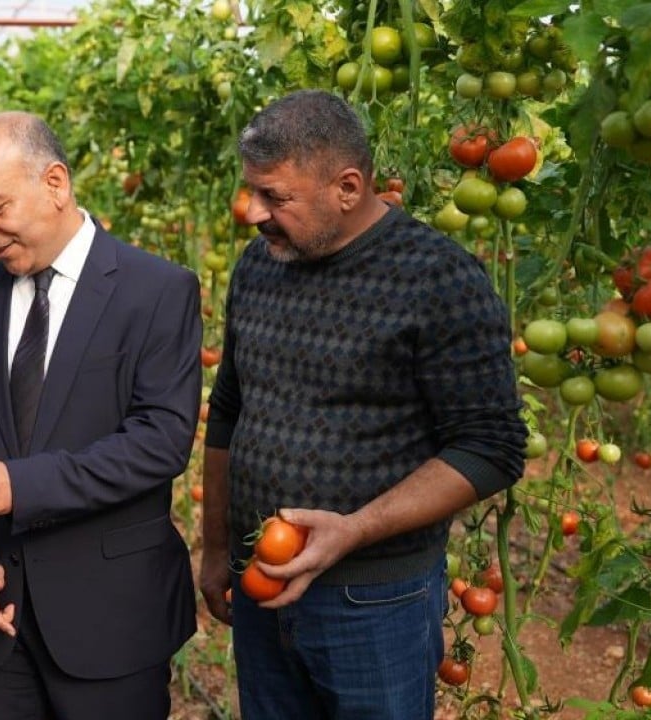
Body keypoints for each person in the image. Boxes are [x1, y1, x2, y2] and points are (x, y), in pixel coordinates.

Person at [199, 89, 527, 719]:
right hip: (261, 585)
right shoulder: (257, 268)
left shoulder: (437, 278)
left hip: (374, 602)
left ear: (347, 188)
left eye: (275, 196)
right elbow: (231, 406)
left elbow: (491, 447)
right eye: (251, 190)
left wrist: (354, 530)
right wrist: (217, 548)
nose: (251, 213)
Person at [0, 111, 202, 720]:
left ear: (55, 183)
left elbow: (161, 440)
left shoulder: (156, 290)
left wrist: (23, 485)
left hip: (113, 621)